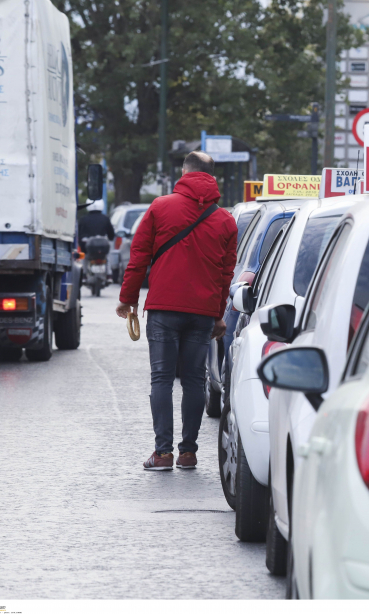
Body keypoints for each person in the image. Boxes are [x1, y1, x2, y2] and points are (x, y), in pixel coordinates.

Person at [116, 151, 238, 471]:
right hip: (202, 312)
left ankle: (162, 454)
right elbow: (226, 273)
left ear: (184, 172)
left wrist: (128, 299)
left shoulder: (160, 207)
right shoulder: (225, 220)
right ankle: (188, 453)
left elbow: (139, 257)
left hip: (164, 307)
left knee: (161, 378)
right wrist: (218, 314)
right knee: (195, 381)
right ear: (212, 177)